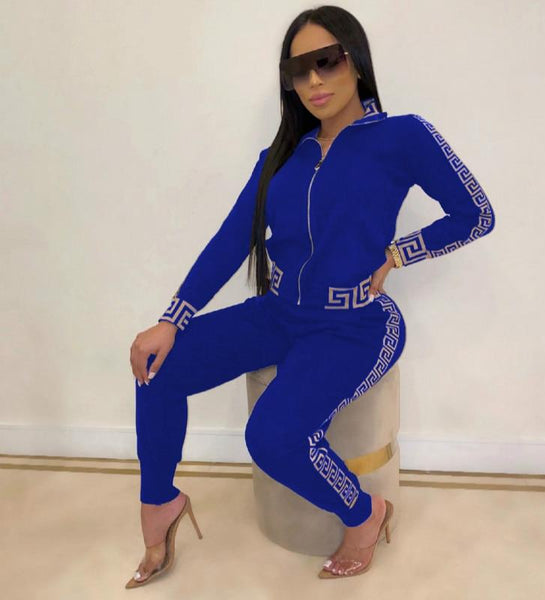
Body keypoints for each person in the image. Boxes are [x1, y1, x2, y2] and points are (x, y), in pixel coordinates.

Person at [125, 5, 495, 588]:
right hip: (281, 314)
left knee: (271, 437)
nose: (314, 80)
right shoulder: (283, 158)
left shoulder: (402, 136)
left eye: (327, 61)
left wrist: (400, 253)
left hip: (357, 325)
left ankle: (364, 514)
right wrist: (172, 319)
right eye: (299, 70)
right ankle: (160, 503)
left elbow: (476, 213)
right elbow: (231, 241)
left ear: (357, 61)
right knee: (156, 366)